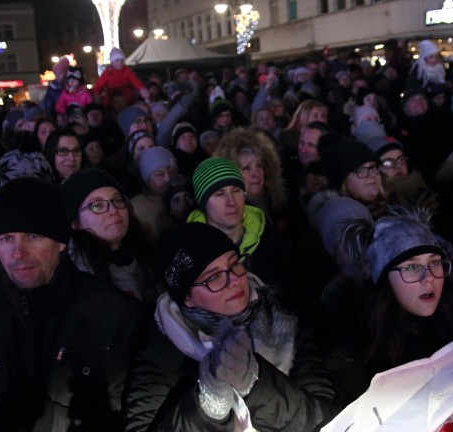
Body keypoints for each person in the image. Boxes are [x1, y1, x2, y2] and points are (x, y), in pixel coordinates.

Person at [0, 177, 143, 430]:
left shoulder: (117, 316)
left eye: (33, 235)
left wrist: (41, 422)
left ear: (61, 242)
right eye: (6, 238)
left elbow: (129, 416)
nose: (18, 252)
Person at [122, 222, 337, 431]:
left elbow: (329, 420)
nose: (234, 280)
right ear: (187, 297)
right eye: (214, 277)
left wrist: (256, 385)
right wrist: (208, 406)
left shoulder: (286, 319)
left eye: (234, 264)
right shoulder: (162, 351)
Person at [327, 208, 453, 406]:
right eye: (411, 267)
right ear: (383, 280)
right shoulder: (357, 349)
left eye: (434, 263)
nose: (428, 278)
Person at [188, 157, 293, 291]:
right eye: (219, 194)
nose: (231, 201)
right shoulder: (187, 252)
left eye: (236, 190)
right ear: (203, 203)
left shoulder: (275, 242)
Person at [61, 169, 158, 304]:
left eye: (118, 200)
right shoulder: (72, 275)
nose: (113, 210)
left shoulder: (148, 251)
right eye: (96, 206)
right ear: (76, 223)